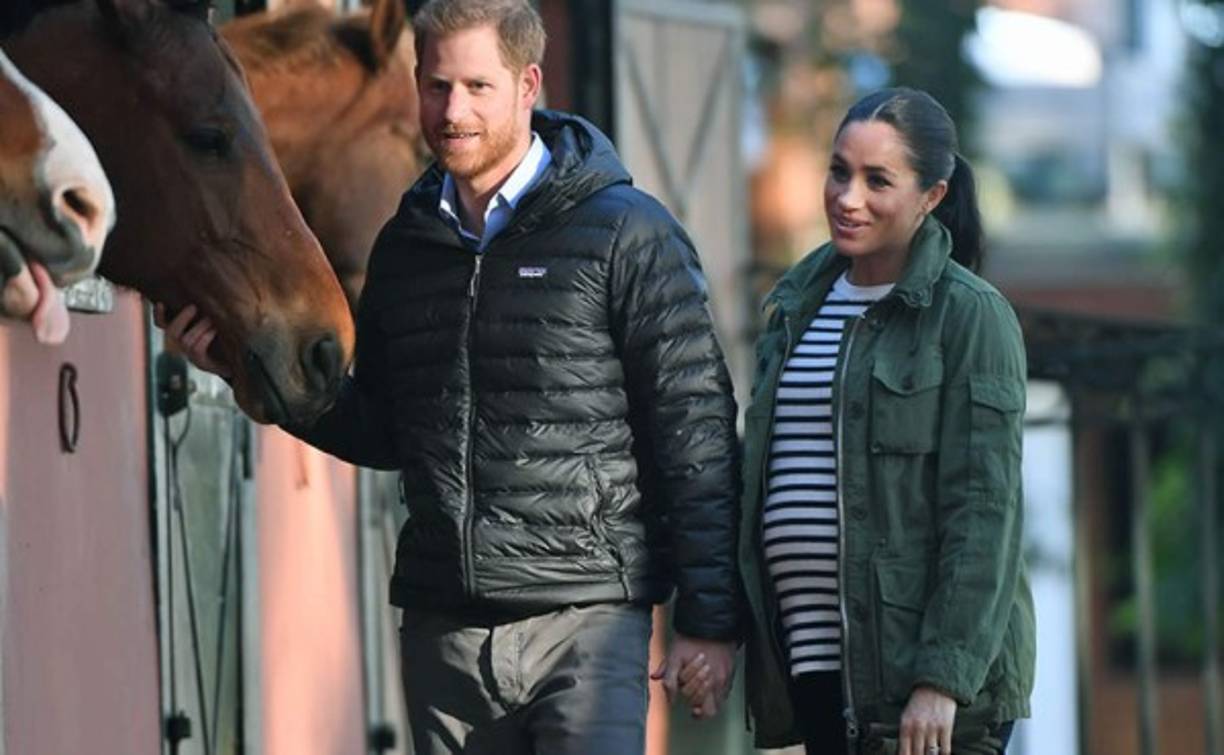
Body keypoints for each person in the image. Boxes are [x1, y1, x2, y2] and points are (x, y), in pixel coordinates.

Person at [158, 0, 741, 752]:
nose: (452, 111)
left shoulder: (628, 233)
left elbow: (695, 432)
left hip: (586, 628)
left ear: (528, 85)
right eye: (436, 86)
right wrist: (245, 367)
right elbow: (385, 428)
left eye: (476, 87)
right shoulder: (406, 245)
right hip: (443, 634)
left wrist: (709, 619)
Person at [736, 87, 1035, 755]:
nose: (848, 198)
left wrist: (941, 679)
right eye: (839, 171)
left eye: (878, 180)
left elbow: (984, 513)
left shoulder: (970, 316)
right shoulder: (793, 310)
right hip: (815, 665)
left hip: (921, 689)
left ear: (932, 195)